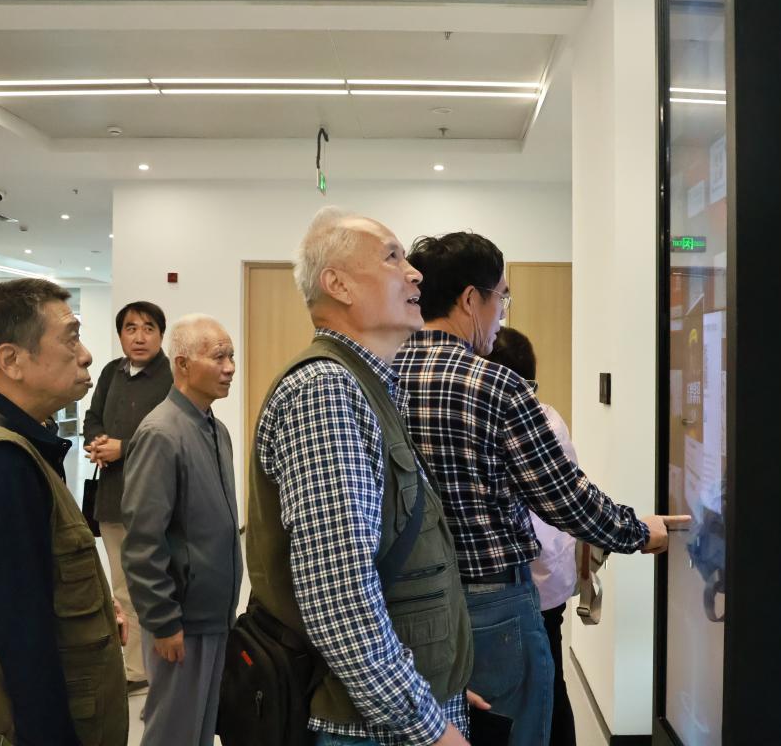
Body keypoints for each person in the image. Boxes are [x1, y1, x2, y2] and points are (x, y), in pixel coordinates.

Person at [394, 231, 690, 746]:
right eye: (501, 298)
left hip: (406, 603)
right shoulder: (495, 386)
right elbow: (564, 498)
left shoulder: (381, 375)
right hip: (491, 608)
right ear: (470, 300)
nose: (501, 316)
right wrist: (639, 531)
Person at [250, 206, 475, 746]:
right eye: (392, 257)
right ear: (338, 284)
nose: (415, 273)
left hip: (400, 708)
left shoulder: (366, 384)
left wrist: (438, 682)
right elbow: (340, 597)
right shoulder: (325, 391)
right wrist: (427, 723)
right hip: (372, 728)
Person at [0, 278, 128, 746]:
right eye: (71, 338)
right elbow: (23, 639)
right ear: (11, 361)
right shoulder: (1, 463)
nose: (86, 355)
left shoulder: (23, 446)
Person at [122, 314, 243, 746]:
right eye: (219, 357)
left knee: (199, 732)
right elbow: (143, 540)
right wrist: (163, 621)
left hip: (214, 615)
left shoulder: (215, 429)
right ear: (183, 364)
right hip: (181, 621)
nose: (230, 367)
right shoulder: (161, 432)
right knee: (173, 733)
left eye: (232, 356)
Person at [485, 326, 577, 746]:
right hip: (546, 580)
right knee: (549, 677)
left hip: (524, 583)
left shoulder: (521, 423)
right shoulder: (550, 417)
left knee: (537, 688)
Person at [83, 300, 172, 695]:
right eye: (131, 328)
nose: (139, 336)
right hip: (112, 497)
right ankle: (137, 668)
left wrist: (125, 447)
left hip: (156, 501)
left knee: (156, 584)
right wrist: (98, 442)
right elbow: (92, 418)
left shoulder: (172, 376)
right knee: (122, 588)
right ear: (120, 334)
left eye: (149, 328)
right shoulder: (110, 372)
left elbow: (175, 435)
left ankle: (158, 662)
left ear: (161, 334)